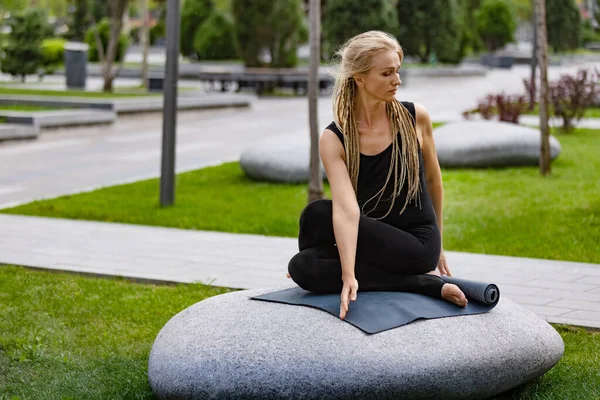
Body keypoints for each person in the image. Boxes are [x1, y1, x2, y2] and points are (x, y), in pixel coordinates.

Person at [286, 30, 468, 320]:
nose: (397, 81)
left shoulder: (414, 118)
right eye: (386, 74)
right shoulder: (336, 138)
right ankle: (406, 281)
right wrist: (347, 273)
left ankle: (423, 282)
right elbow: (346, 210)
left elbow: (434, 181)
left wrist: (440, 245)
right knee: (302, 265)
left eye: (397, 71)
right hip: (375, 241)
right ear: (359, 78)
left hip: (417, 245)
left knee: (317, 214)